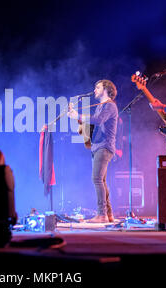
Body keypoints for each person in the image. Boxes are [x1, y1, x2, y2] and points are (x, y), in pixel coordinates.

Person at [68, 79, 118, 223]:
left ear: (106, 89)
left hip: (104, 146)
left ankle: (101, 214)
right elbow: (94, 123)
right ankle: (108, 214)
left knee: (97, 179)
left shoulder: (109, 106)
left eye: (98, 87)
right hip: (98, 147)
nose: (94, 90)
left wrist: (78, 116)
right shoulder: (101, 106)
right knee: (101, 180)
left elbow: (99, 120)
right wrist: (77, 118)